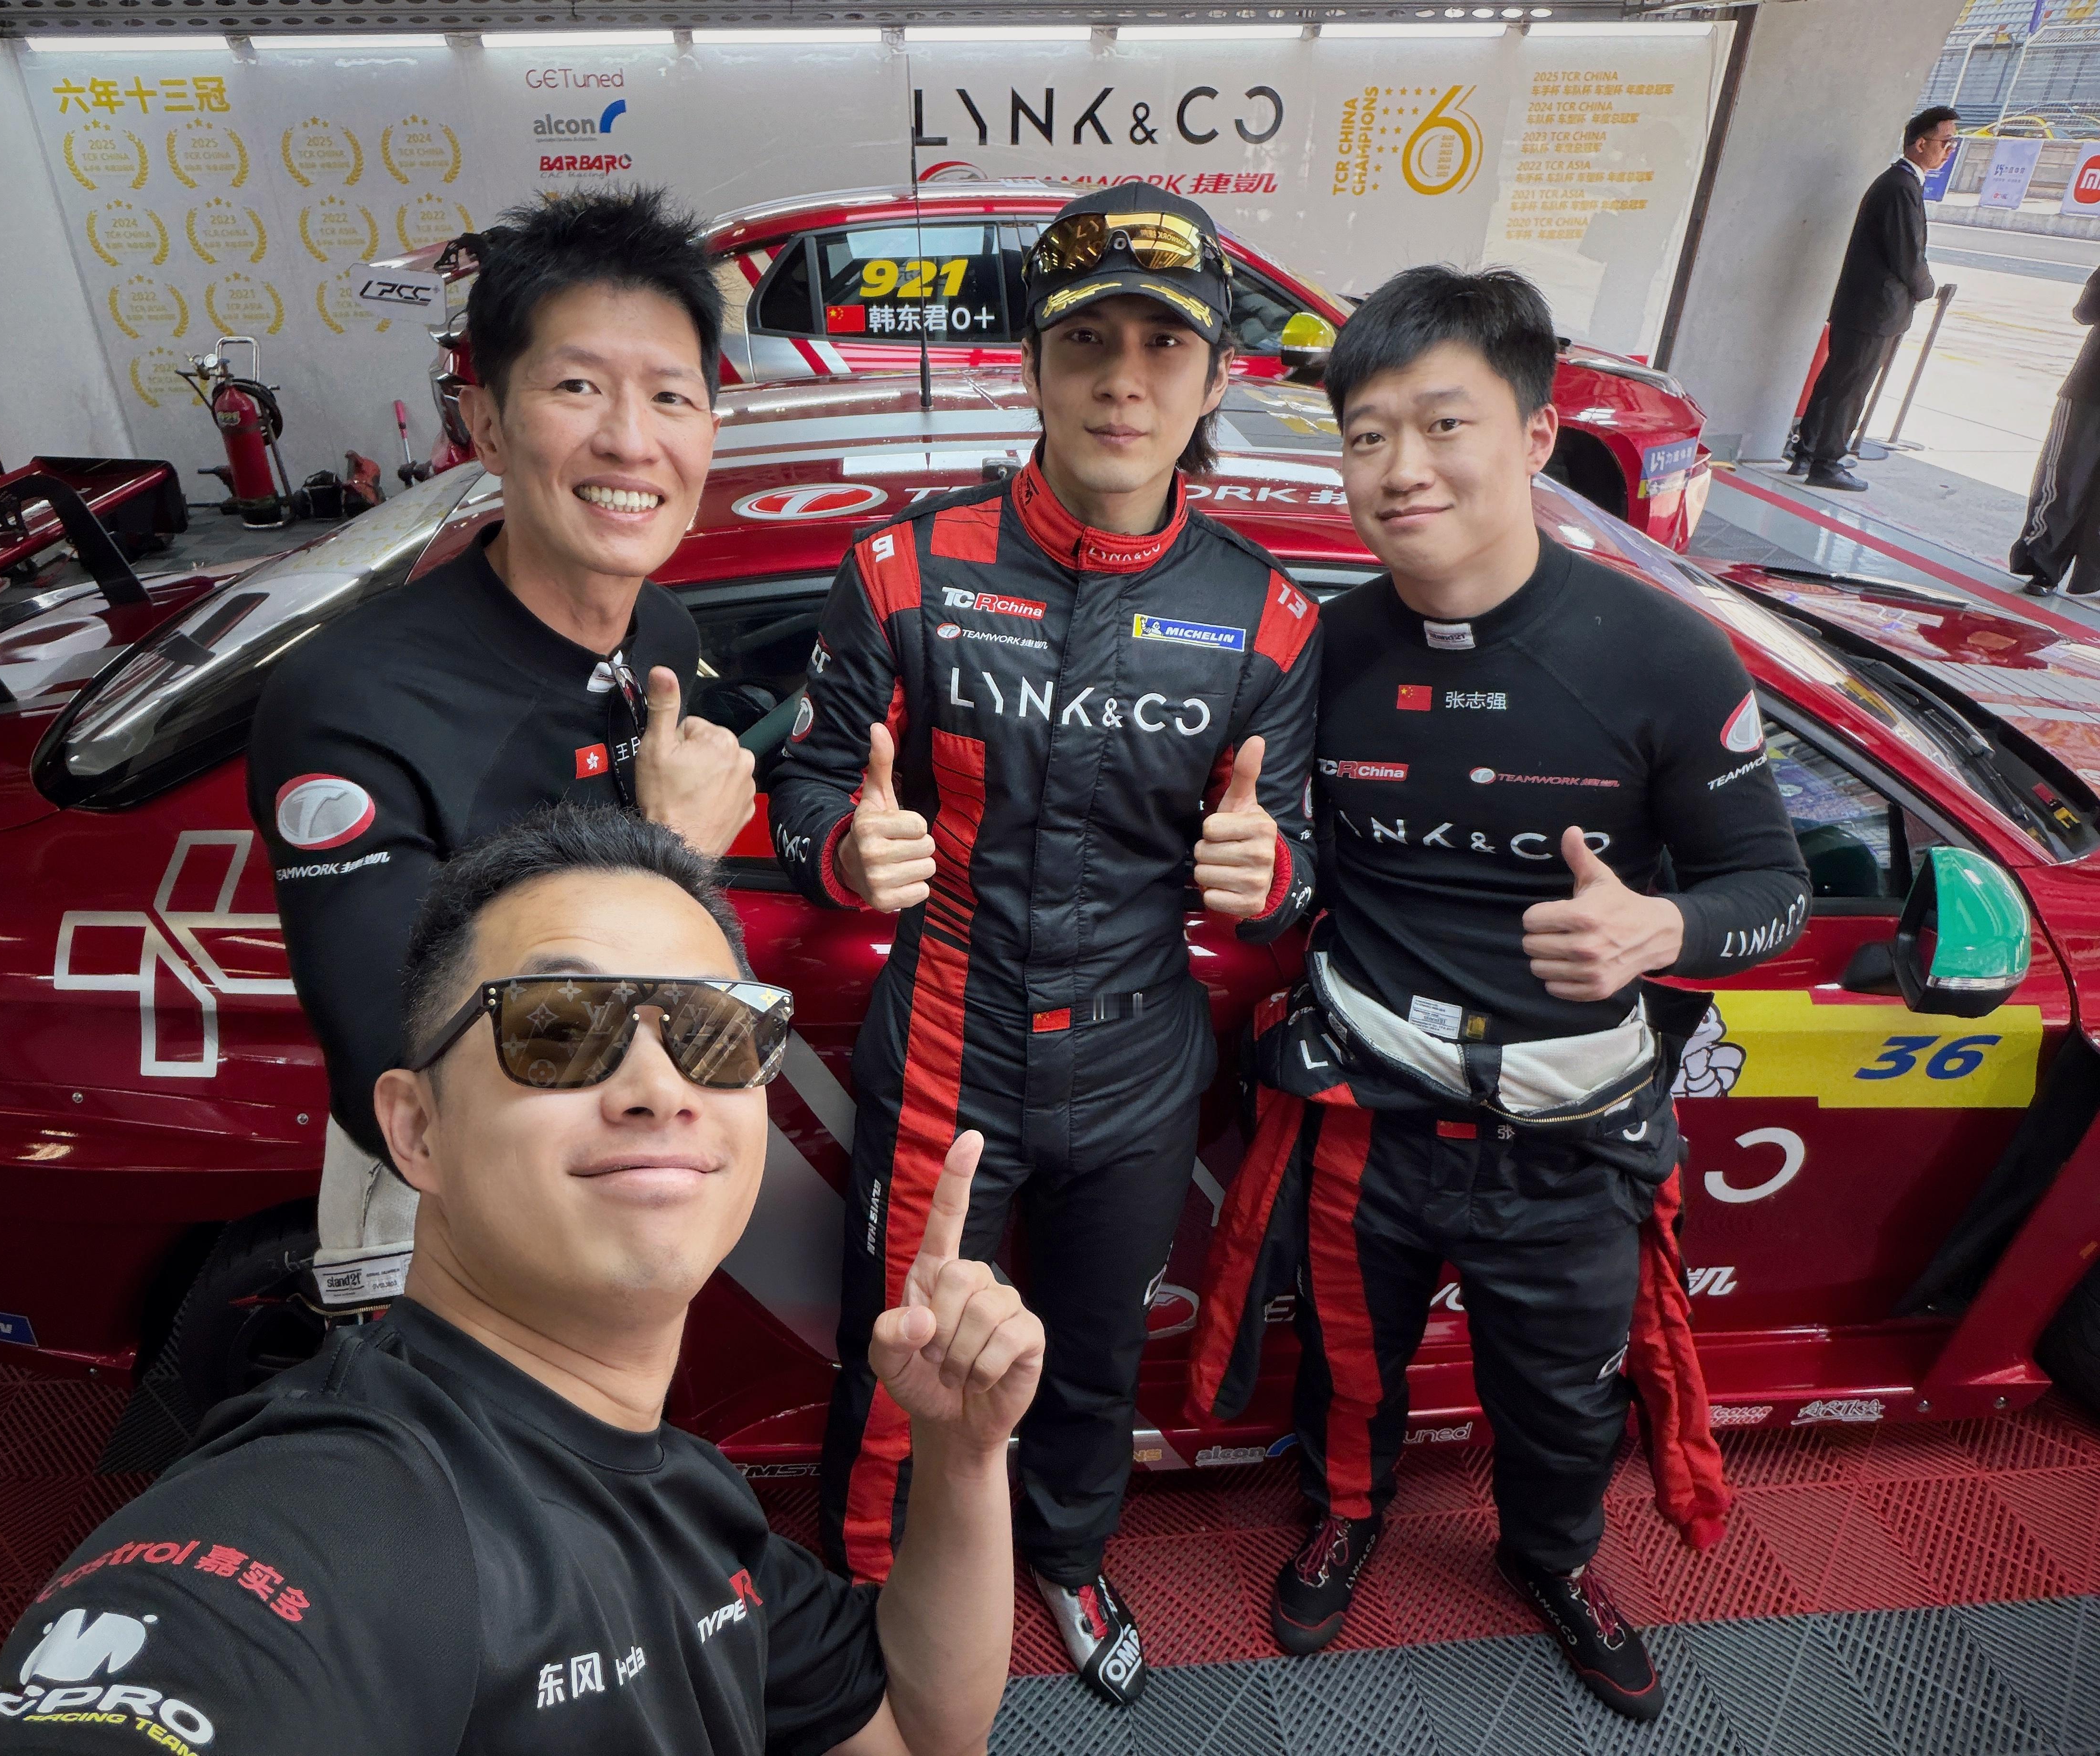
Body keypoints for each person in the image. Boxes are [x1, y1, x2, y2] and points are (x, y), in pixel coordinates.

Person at [0, 807, 1040, 1756]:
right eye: (557, 1026)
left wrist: (960, 1452)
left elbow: (921, 1731)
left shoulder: (691, 1500)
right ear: (416, 1130)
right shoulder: (340, 1515)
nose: (660, 1086)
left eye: (712, 1028)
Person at [1188, 266, 1809, 1723]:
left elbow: (1771, 888)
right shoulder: (1323, 653)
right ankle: (1344, 1519)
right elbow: (1290, 876)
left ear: (1534, 436)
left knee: (1565, 1394)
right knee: (1349, 1368)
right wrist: (1256, 876)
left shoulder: (1664, 651)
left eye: (1442, 424)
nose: (1401, 468)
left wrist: (1659, 928)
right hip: (1366, 1116)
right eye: (1366, 435)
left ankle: (1554, 1559)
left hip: (1574, 1140)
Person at [770, 182, 1320, 1705]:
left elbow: (1302, 862)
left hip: (1138, 1066)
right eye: (1087, 341)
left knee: (1089, 1358)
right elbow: (809, 782)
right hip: (948, 1045)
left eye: (1164, 346)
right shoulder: (905, 568)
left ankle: (1069, 1557)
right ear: (1032, 365)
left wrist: (1271, 872)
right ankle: (865, 1604)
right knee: (898, 1354)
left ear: (1215, 379)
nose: (1123, 381)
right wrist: (841, 847)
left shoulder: (1271, 617)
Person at [248, 190, 758, 1316]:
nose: (631, 439)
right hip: (446, 1210)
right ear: (483, 423)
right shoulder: (352, 697)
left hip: (628, 1157)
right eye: (577, 387)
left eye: (670, 395)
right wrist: (669, 855)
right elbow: (394, 1071)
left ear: (710, 430)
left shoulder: (662, 632)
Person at [1791, 105, 1957, 492]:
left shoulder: (1898, 182)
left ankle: (1808, 452)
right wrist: (1927, 289)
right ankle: (1827, 463)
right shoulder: (1901, 187)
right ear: (1920, 144)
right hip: (1875, 311)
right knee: (1851, 389)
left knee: (1836, 382)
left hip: (1861, 308)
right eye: (1946, 142)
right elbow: (1908, 255)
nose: (1949, 151)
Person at [2011, 264, 2100, 596]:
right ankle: (2082, 575)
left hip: (2091, 390)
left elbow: (2086, 311)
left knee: (2065, 477)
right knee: (2069, 479)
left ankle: (2044, 567)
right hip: (2090, 390)